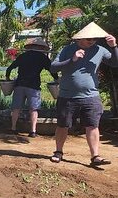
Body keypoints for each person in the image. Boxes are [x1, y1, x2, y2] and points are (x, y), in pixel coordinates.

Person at [49, 21, 118, 166]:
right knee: (62, 125)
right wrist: (72, 59)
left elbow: (115, 63)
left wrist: (114, 47)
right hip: (67, 96)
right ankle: (58, 151)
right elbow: (53, 68)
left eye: (94, 39)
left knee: (92, 125)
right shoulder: (67, 50)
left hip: (91, 96)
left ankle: (95, 156)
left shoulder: (100, 49)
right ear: (79, 39)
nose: (92, 42)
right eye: (89, 39)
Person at [6, 38, 58, 137]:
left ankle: (13, 128)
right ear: (41, 48)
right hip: (33, 86)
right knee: (34, 109)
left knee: (16, 108)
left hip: (19, 85)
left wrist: (8, 78)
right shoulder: (42, 57)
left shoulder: (23, 56)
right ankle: (33, 131)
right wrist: (56, 79)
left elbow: (9, 68)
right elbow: (52, 70)